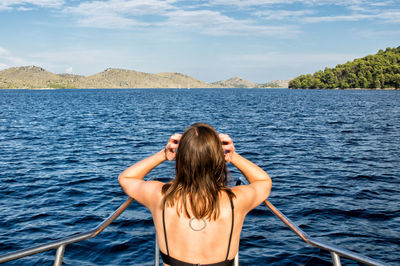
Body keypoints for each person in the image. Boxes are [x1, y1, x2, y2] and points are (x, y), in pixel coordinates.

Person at [119, 123, 272, 266]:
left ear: (181, 159)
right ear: (217, 159)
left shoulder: (160, 197)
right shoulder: (236, 201)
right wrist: (233, 157)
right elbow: (264, 182)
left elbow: (126, 178)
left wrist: (163, 154)